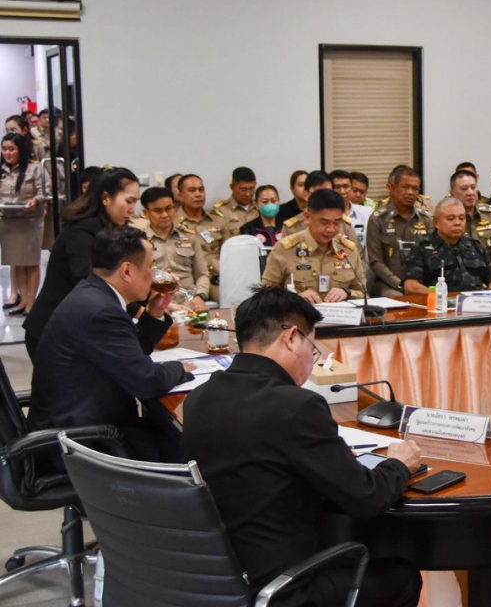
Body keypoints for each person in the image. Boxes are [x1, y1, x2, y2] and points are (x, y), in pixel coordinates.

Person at [181, 287, 423, 607]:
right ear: (292, 338)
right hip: (283, 590)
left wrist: (328, 459)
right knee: (402, 576)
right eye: (313, 347)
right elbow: (368, 497)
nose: (311, 358)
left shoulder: (198, 398)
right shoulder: (296, 406)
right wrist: (399, 463)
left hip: (218, 581)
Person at [28, 227, 196, 462]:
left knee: (170, 430)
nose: (153, 275)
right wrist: (179, 368)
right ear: (127, 271)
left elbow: (130, 354)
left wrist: (154, 314)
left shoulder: (93, 294)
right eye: (150, 267)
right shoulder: (101, 311)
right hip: (81, 443)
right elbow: (147, 382)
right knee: (191, 444)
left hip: (82, 424)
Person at [24, 166, 140, 363]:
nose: (132, 209)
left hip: (79, 325)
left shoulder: (110, 227)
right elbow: (88, 279)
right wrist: (138, 310)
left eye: (135, 202)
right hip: (53, 328)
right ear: (106, 198)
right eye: (129, 201)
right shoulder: (82, 229)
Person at [261, 189, 367, 304]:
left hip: (341, 314)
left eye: (337, 222)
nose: (331, 229)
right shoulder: (284, 249)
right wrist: (294, 299)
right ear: (307, 217)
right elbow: (264, 296)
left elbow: (364, 294)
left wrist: (347, 292)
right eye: (324, 222)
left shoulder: (348, 250)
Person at [402, 198, 491, 294]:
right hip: (440, 303)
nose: (457, 223)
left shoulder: (474, 246)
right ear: (436, 223)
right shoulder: (422, 248)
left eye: (461, 218)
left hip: (474, 302)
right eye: (451, 219)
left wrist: (487, 295)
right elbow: (410, 286)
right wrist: (438, 296)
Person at [0, 133, 48, 315]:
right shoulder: (2, 169)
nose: (7, 153)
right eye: (4, 149)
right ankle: (23, 301)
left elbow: (45, 191)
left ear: (21, 150)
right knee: (17, 262)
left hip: (30, 220)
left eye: (11, 149)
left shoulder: (35, 168)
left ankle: (31, 304)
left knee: (31, 262)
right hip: (8, 221)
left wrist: (36, 200)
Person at [140, 187, 210, 313]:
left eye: (168, 208)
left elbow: (202, 273)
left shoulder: (189, 237)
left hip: (190, 304)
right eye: (157, 211)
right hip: (157, 305)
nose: (165, 215)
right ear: (146, 213)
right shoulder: (140, 242)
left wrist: (200, 296)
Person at [367, 167, 433, 297]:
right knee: (399, 299)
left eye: (415, 188)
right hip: (389, 284)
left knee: (439, 294)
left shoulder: (425, 219)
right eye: (405, 187)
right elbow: (376, 262)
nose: (410, 192)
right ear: (392, 188)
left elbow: (432, 254)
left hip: (421, 282)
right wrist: (400, 284)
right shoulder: (378, 219)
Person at [174, 174, 226, 303]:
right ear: (180, 195)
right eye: (192, 190)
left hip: (215, 278)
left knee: (230, 302)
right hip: (188, 280)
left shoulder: (218, 220)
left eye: (201, 190)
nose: (198, 194)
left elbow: (228, 254)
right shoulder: (173, 223)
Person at [449, 168, 491, 254]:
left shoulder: (490, 215)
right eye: (464, 188)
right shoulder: (446, 219)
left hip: (488, 262)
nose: (470, 193)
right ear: (452, 194)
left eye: (473, 187)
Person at [331, 168, 373, 249]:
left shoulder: (367, 213)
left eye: (346, 187)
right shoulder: (324, 215)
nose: (342, 191)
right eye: (337, 187)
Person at [214, 166, 259, 239]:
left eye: (251, 189)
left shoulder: (261, 208)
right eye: (243, 190)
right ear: (232, 187)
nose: (248, 194)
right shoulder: (221, 212)